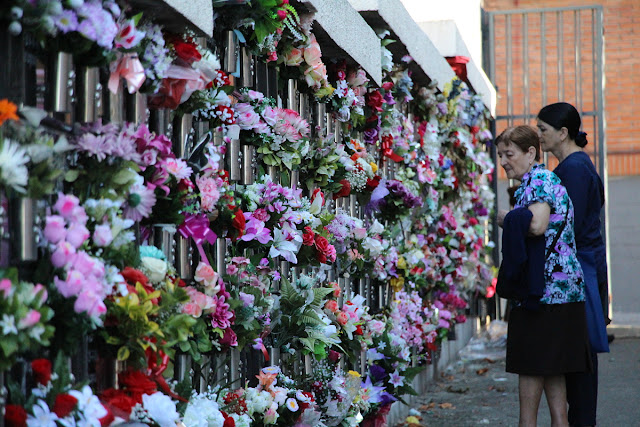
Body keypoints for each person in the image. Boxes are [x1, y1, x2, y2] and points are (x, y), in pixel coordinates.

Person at [496, 125, 591, 427]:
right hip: (562, 293)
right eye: (499, 155)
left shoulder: (538, 180)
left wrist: (507, 219)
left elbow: (536, 225)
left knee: (531, 369)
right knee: (553, 372)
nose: (503, 162)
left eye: (509, 154)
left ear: (531, 153)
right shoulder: (544, 180)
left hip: (543, 293)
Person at [537, 102, 610, 427]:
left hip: (577, 272)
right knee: (574, 358)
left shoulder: (575, 169)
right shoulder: (574, 166)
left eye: (543, 130)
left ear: (563, 133)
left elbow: (570, 226)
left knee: (578, 363)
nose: (538, 137)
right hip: (577, 270)